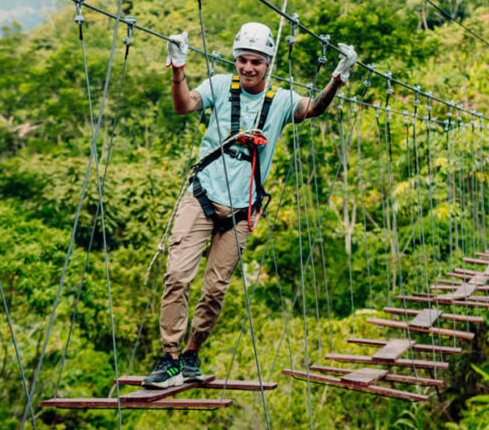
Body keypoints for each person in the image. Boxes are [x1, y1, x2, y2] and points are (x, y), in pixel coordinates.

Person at [142, 22, 357, 388]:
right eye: (242, 60)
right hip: (203, 197)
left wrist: (336, 79)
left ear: (268, 62)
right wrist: (178, 70)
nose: (247, 67)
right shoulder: (221, 86)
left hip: (243, 210)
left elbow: (314, 109)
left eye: (255, 61)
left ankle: (192, 352)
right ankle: (170, 358)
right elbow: (184, 106)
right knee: (177, 276)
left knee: (215, 289)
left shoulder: (282, 100)